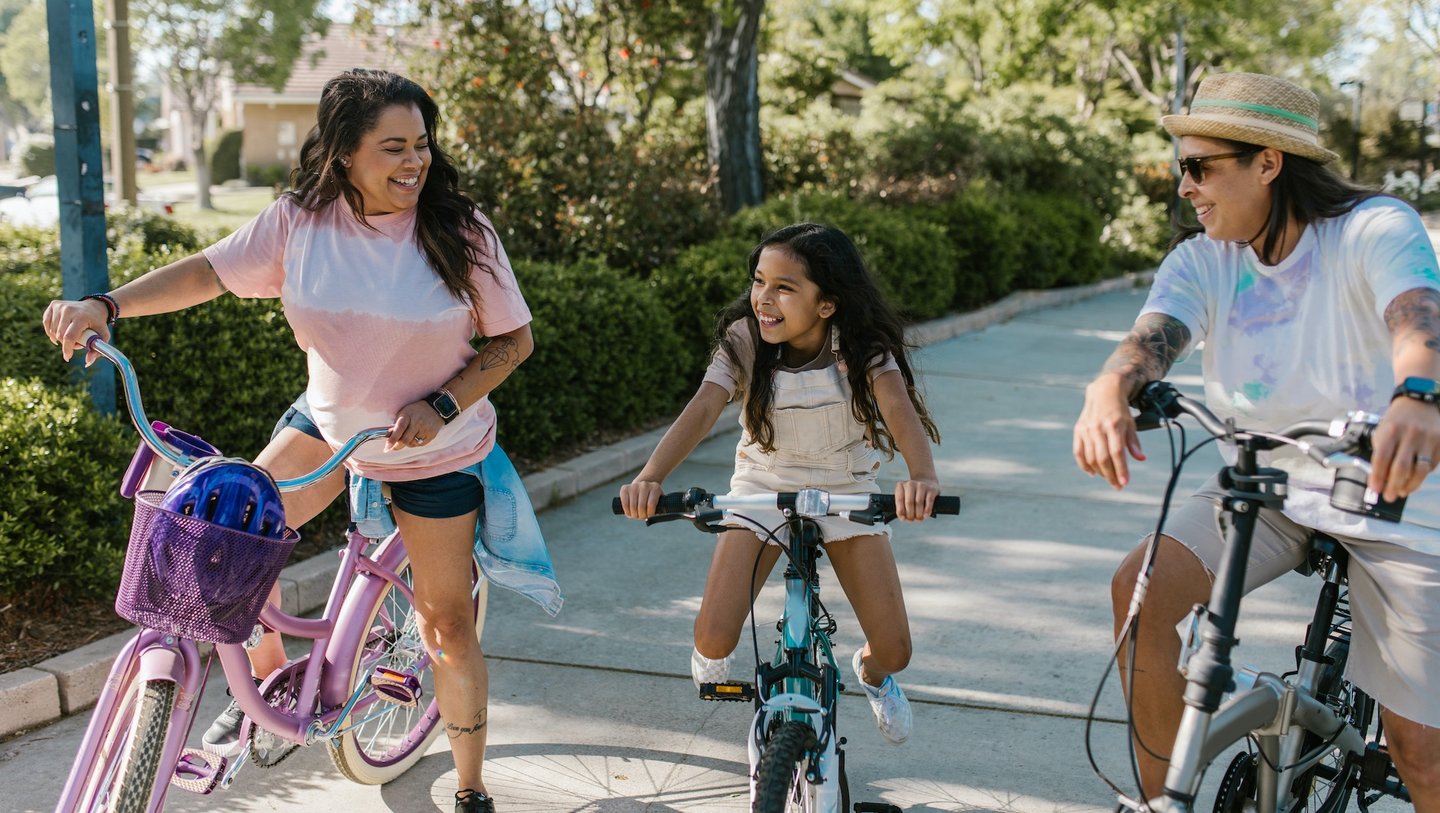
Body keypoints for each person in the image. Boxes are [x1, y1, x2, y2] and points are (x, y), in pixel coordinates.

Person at [43, 68, 536, 813]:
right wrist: (107, 305)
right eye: (393, 147)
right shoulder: (302, 220)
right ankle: (258, 692)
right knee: (228, 536)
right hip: (330, 428)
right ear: (343, 152)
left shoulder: (459, 229)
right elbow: (209, 271)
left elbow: (512, 342)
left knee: (447, 625)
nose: (414, 163)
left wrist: (443, 402)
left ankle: (470, 785)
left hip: (432, 446)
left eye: (422, 145)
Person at [1073, 72, 1440, 810]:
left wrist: (1419, 395)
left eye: (1200, 165)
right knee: (1139, 593)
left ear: (1268, 161)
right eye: (1184, 166)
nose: (1185, 186)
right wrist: (1109, 387)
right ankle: (1160, 801)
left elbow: (1417, 313)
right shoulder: (1206, 257)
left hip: (1393, 490)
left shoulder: (1373, 228)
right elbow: (1151, 340)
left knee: (1420, 752)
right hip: (1265, 484)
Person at [617, 223, 942, 744]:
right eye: (758, 281)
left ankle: (873, 676)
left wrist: (921, 478)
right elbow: (703, 407)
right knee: (715, 639)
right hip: (762, 484)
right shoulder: (746, 340)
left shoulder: (861, 349)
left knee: (895, 648)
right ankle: (716, 653)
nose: (763, 299)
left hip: (845, 486)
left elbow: (899, 411)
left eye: (784, 288)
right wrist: (650, 477)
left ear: (827, 305)